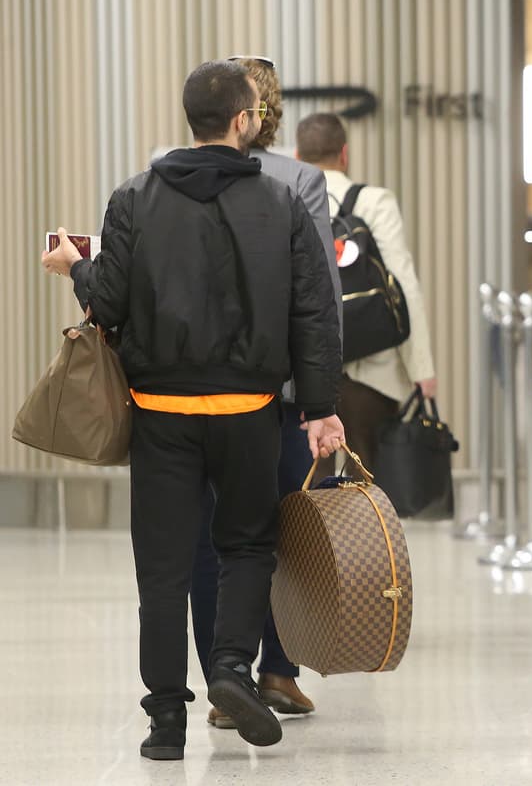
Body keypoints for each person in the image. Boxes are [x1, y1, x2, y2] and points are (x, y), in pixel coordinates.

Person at [40, 60, 345, 760]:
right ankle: (234, 668)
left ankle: (165, 722)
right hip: (249, 413)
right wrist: (320, 407)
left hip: (161, 414)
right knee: (246, 546)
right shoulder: (282, 203)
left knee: (165, 568)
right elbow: (313, 315)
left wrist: (74, 268)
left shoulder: (135, 198)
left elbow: (106, 304)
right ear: (245, 120)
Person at [190, 55, 343, 729]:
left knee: (213, 538)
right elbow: (321, 296)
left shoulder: (165, 175)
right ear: (259, 114)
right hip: (279, 396)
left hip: (196, 394)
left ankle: (226, 677)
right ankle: (279, 669)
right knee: (290, 530)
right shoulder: (301, 180)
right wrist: (321, 398)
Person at [295, 111, 438, 472]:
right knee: (370, 489)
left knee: (309, 494)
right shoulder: (374, 201)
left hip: (304, 374)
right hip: (372, 374)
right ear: (344, 154)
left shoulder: (286, 197)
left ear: (296, 156)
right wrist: (420, 367)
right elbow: (402, 282)